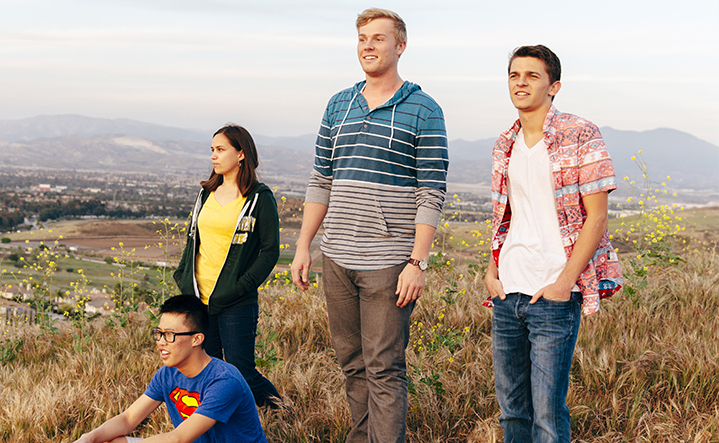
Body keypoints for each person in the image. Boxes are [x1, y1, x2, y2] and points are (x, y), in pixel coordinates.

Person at [290, 8, 448, 442]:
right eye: (362, 38)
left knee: (384, 367)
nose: (368, 46)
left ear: (400, 46)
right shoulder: (338, 104)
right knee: (352, 364)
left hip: (388, 263)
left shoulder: (424, 109)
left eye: (378, 38)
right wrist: (305, 245)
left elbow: (431, 191)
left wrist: (417, 262)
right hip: (336, 257)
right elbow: (322, 177)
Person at [483, 45, 623, 442]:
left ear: (554, 86)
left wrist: (564, 285)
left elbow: (596, 218)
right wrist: (492, 269)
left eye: (532, 76)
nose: (520, 82)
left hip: (553, 292)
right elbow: (504, 215)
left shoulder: (581, 134)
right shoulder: (504, 143)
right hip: (508, 290)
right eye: (514, 75)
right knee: (512, 412)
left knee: (547, 413)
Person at [173, 124, 283, 409]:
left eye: (220, 150)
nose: (213, 156)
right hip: (200, 298)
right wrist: (182, 277)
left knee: (241, 371)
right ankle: (220, 421)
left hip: (236, 301)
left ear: (241, 154)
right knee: (209, 368)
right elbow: (192, 240)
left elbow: (270, 251)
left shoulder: (259, 197)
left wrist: (242, 286)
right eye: (212, 150)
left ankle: (279, 411)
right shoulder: (205, 194)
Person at [72, 294, 267, 443]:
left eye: (170, 335)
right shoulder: (167, 374)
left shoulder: (225, 381)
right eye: (159, 333)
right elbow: (128, 419)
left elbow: (178, 438)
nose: (161, 342)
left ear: (196, 339)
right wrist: (89, 437)